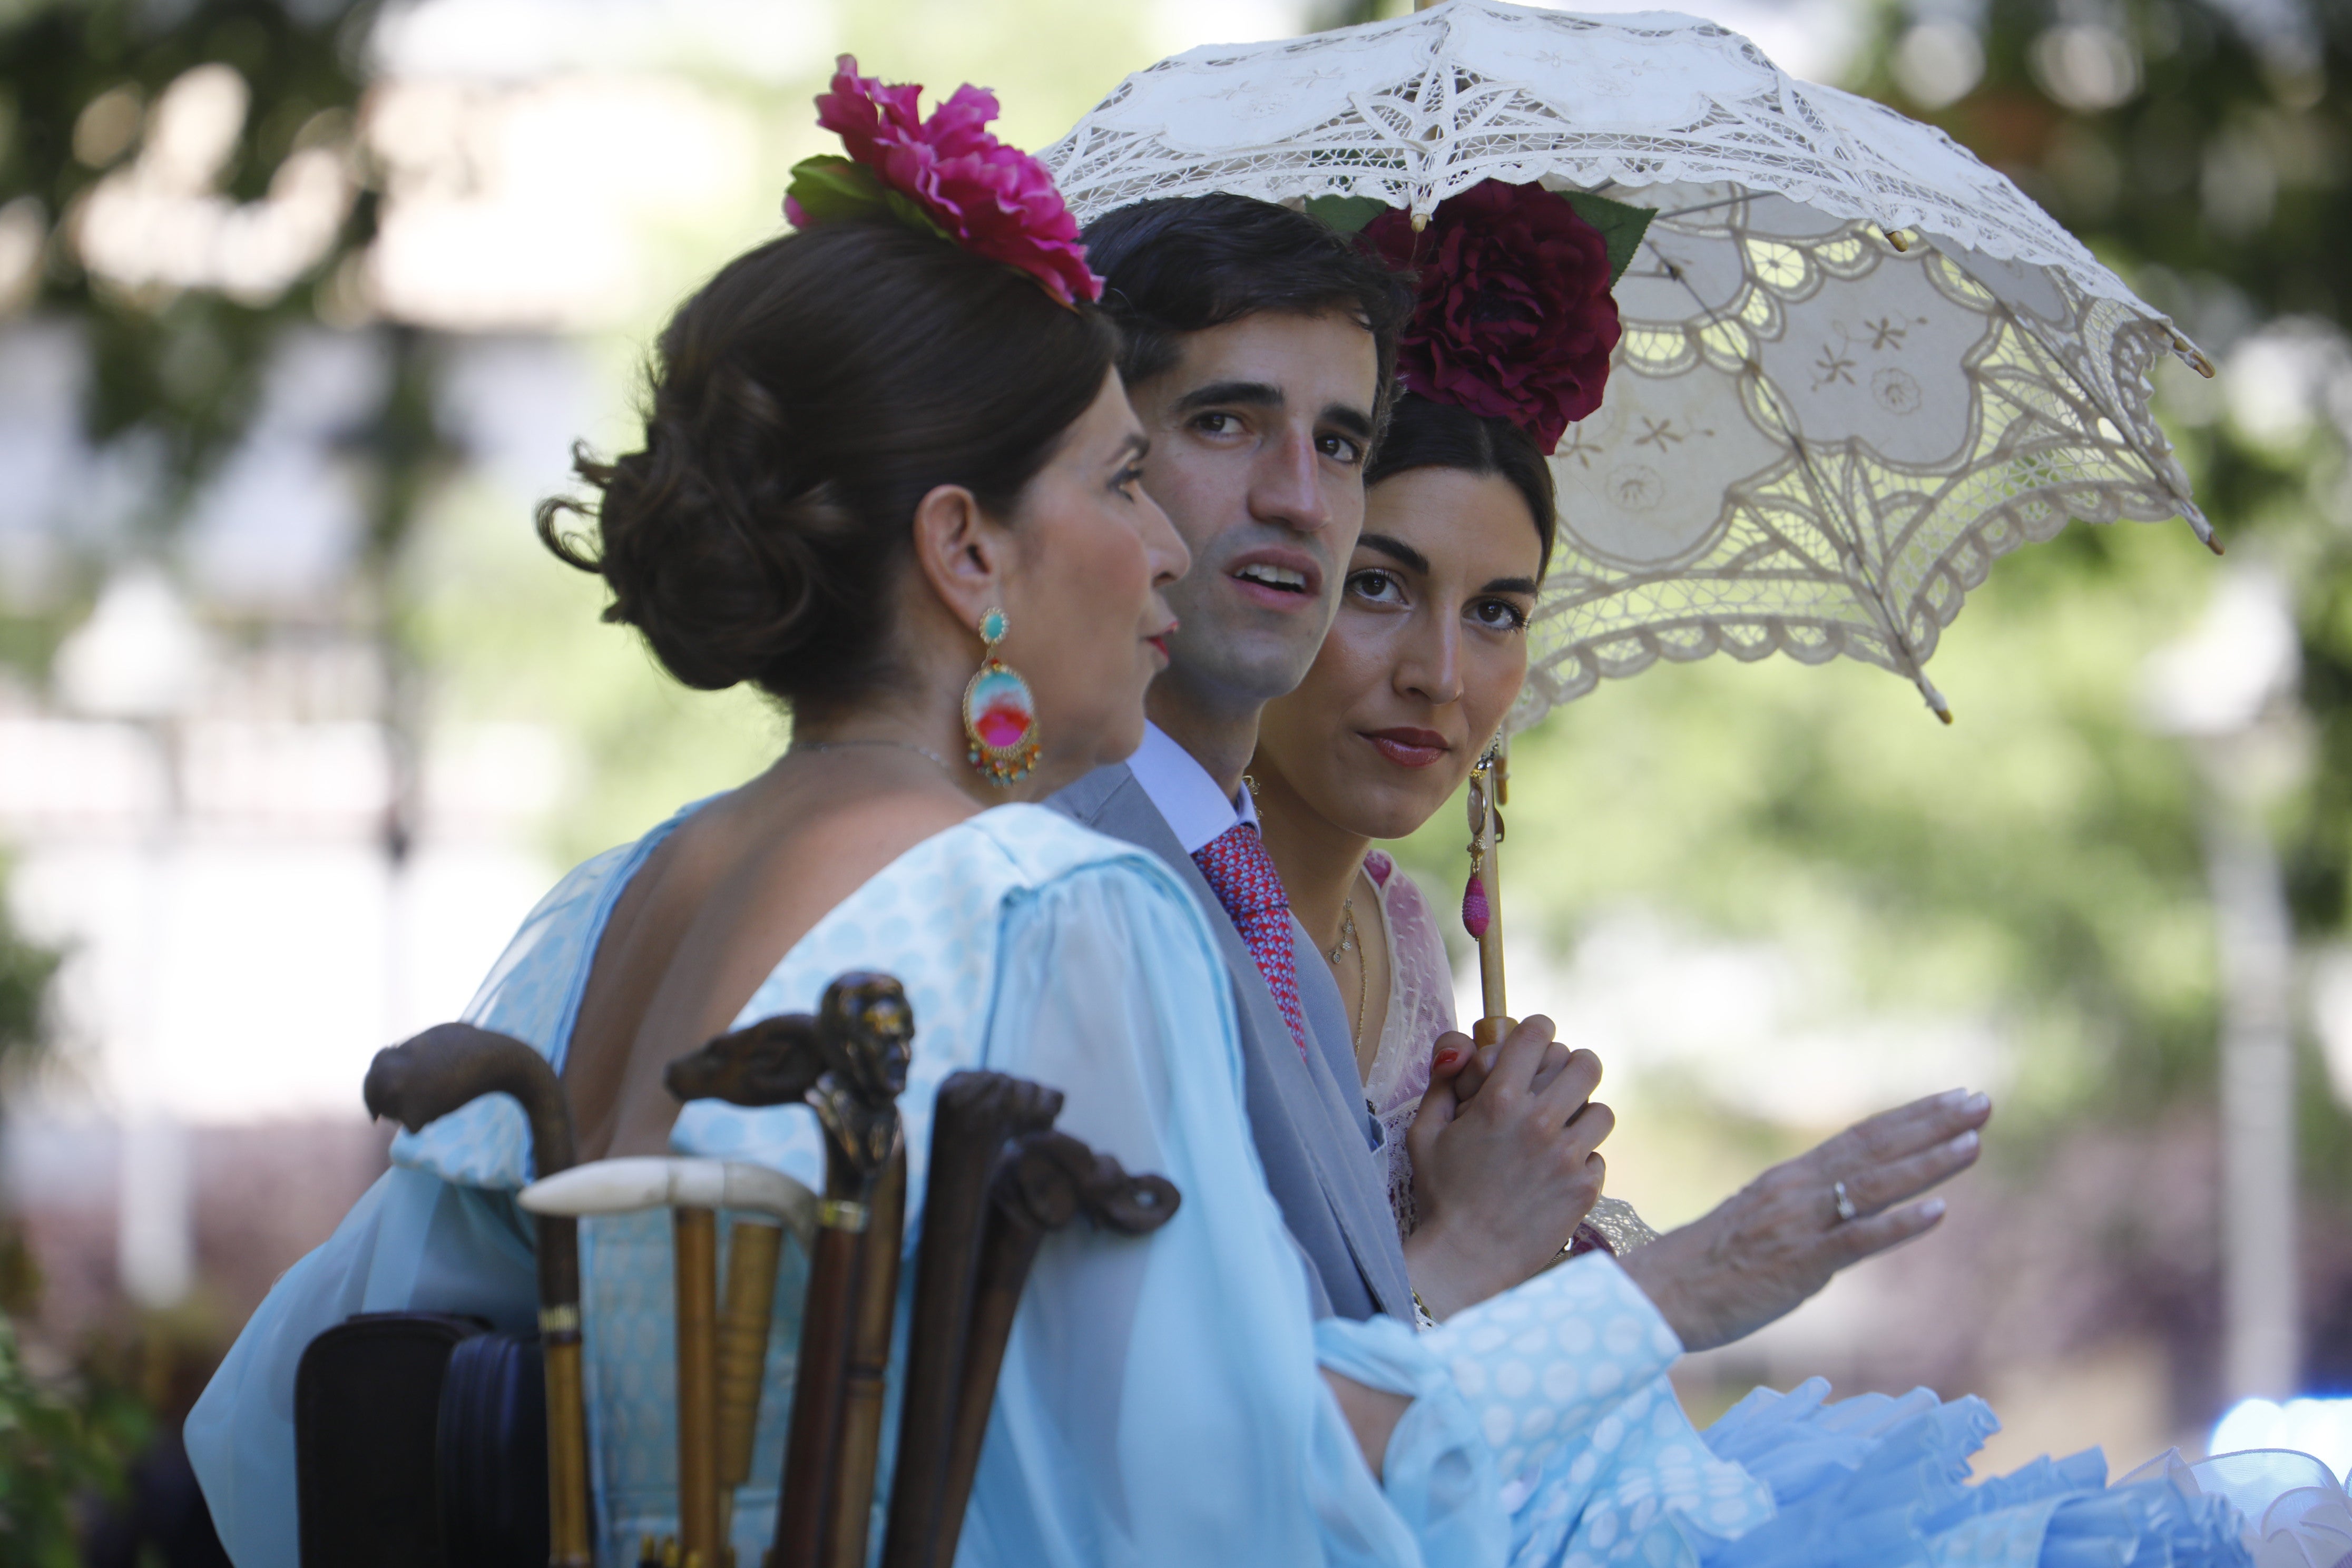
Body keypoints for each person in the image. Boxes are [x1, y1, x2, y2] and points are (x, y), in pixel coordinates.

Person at [180, 65, 1864, 1568]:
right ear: (966, 550)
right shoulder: (1043, 906)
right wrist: (1674, 1293)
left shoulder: (624, 894)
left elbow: (283, 1432)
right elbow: (1239, 1505)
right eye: (1132, 477)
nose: (1169, 547)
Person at [1048, 191, 1994, 1333]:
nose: (1441, 676)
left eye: (1498, 612)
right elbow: (1239, 1399)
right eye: (1381, 587)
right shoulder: (1074, 878)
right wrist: (1538, 1261)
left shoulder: (1371, 937)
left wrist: (1523, 1223)